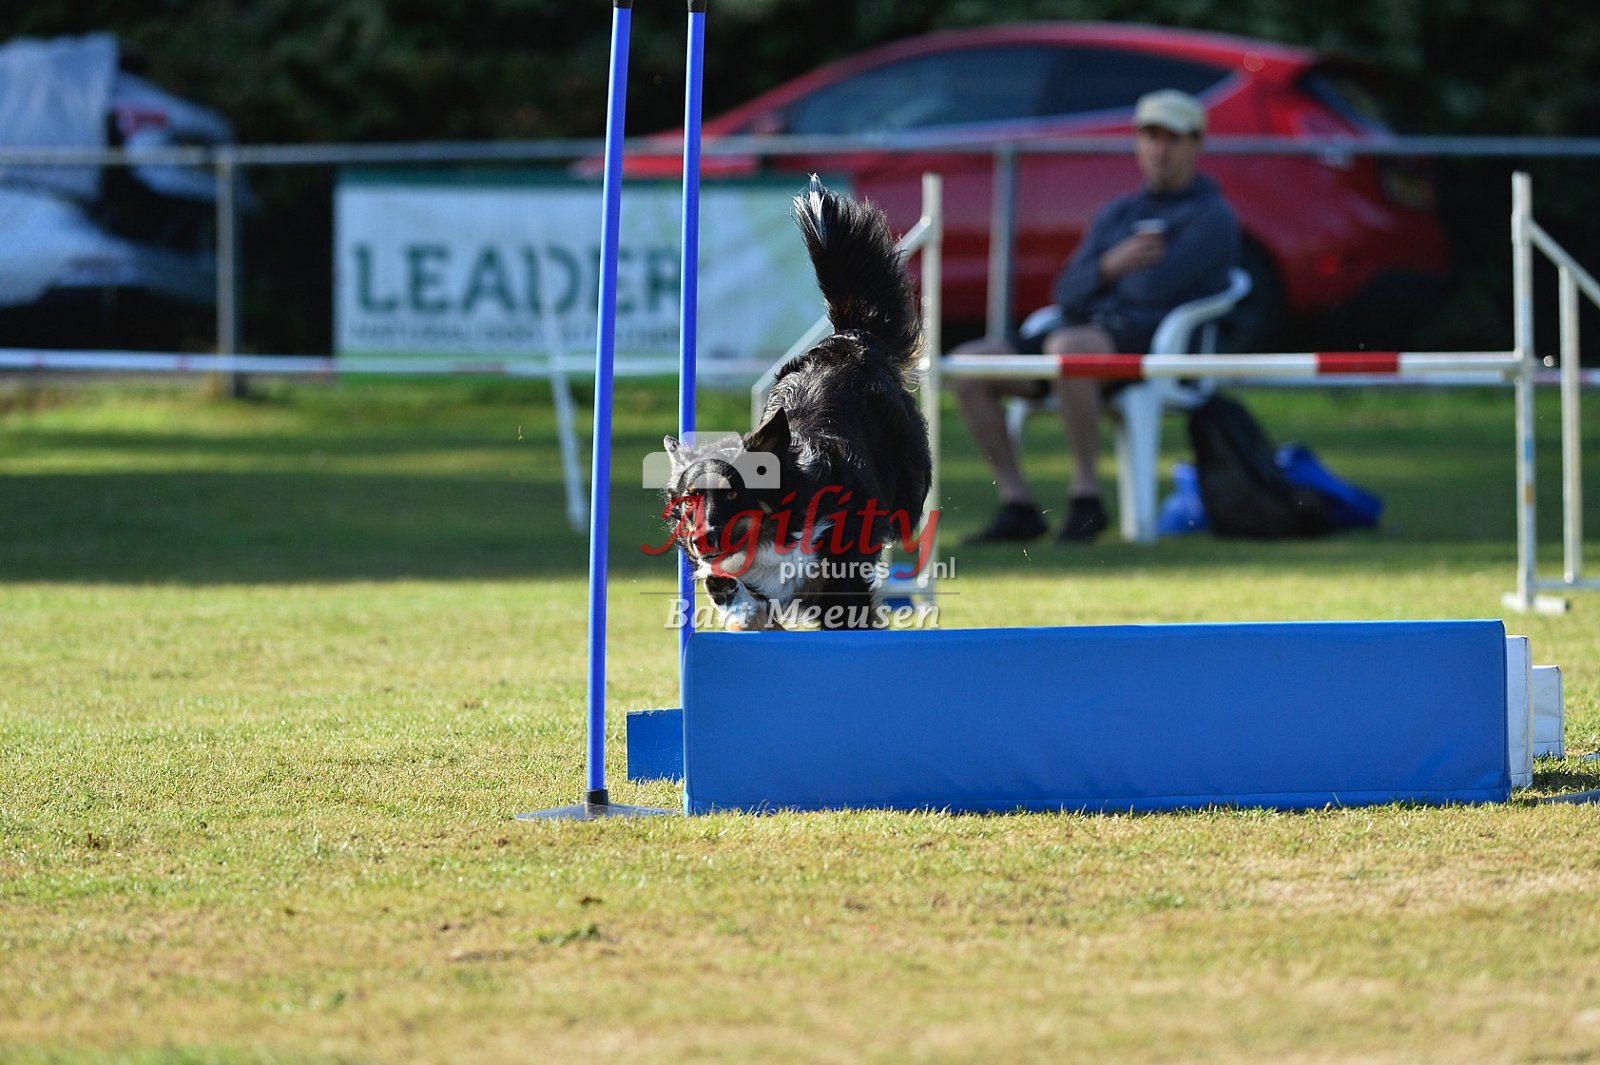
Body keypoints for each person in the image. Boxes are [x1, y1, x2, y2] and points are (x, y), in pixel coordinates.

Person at [952, 89, 1240, 544]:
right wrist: (1111, 265)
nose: (1159, 150)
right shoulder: (1119, 212)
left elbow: (1151, 290)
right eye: (1150, 136)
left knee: (1069, 348)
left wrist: (1105, 279)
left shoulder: (1212, 216)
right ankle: (1017, 504)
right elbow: (1066, 291)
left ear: (1196, 145)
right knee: (969, 366)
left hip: (1154, 347)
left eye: (1172, 138)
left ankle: (1086, 497)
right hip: (1080, 332)